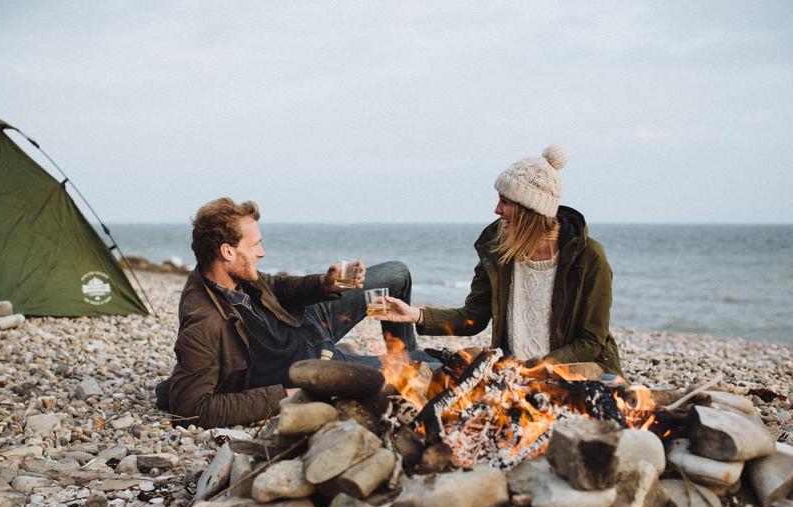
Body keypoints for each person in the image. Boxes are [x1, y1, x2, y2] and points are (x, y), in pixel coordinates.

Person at [155, 197, 437, 428]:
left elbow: (277, 286)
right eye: (255, 245)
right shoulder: (204, 324)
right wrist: (290, 395)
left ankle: (399, 353)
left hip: (308, 321)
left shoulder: (234, 277)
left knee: (397, 275)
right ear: (227, 252)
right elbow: (191, 408)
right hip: (317, 362)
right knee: (431, 366)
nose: (262, 252)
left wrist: (324, 284)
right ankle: (405, 370)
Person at [375, 145, 623, 376]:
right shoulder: (496, 248)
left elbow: (590, 342)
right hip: (511, 375)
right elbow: (472, 317)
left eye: (505, 201)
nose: (496, 209)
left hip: (573, 375)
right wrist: (416, 315)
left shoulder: (589, 257)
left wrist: (535, 368)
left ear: (529, 210)